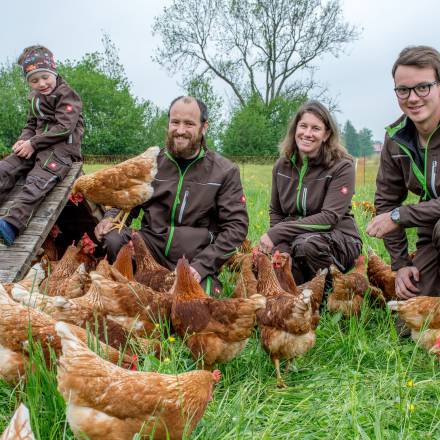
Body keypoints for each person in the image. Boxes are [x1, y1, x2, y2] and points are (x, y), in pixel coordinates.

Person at [95, 96, 248, 294]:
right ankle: (132, 280)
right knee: (113, 238)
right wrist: (110, 218)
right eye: (175, 122)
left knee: (194, 311)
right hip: (150, 247)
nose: (180, 130)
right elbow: (127, 200)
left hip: (194, 256)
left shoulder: (224, 171)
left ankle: (192, 281)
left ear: (204, 127)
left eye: (189, 124)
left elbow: (236, 227)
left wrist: (201, 266)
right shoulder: (151, 163)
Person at [258, 100, 362, 284]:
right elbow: (276, 211)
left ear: (326, 134)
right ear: (295, 129)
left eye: (315, 128)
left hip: (339, 239)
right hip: (295, 240)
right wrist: (282, 249)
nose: (307, 133)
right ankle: (305, 286)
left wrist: (278, 232)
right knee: (269, 270)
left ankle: (334, 292)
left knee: (306, 245)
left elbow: (329, 218)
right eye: (303, 126)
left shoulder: (342, 166)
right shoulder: (282, 166)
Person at [367, 46, 440, 298]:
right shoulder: (396, 138)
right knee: (412, 316)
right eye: (403, 90)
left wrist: (400, 215)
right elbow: (386, 201)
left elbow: (394, 213)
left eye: (423, 87)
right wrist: (400, 265)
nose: (413, 97)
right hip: (430, 231)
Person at [0, 45, 83, 246]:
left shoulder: (67, 95)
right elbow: (31, 124)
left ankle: (11, 224)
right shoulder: (34, 99)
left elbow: (65, 127)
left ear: (53, 71)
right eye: (34, 80)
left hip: (60, 150)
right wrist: (24, 140)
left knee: (37, 181)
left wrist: (33, 142)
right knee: (5, 168)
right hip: (36, 145)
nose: (42, 83)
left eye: (45, 76)